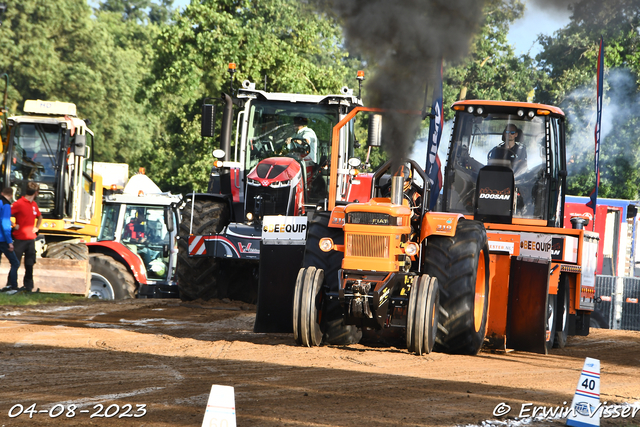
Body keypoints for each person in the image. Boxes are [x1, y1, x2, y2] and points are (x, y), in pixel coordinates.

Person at [11, 181, 42, 293]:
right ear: (36, 193)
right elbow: (4, 214)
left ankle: (28, 288)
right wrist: (14, 225)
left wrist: (37, 227)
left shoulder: (34, 204)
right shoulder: (19, 203)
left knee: (29, 265)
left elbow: (40, 216)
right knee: (15, 264)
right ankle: (12, 286)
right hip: (19, 239)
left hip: (30, 240)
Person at [0, 188, 20, 293]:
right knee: (15, 263)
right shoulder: (6, 204)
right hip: (2, 239)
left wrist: (12, 223)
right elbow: (4, 223)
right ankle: (12, 286)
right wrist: (9, 242)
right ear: (11, 195)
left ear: (2, 193)